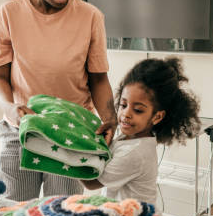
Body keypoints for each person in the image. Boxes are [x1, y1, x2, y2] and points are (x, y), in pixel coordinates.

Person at [0, 0, 117, 201]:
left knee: (64, 214)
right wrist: (9, 107)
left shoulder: (91, 16)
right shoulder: (8, 13)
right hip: (19, 129)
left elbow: (98, 79)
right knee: (15, 210)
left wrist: (109, 118)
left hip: (70, 133)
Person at [81, 57, 201, 206]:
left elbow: (91, 183)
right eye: (123, 105)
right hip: (124, 214)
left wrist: (73, 151)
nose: (126, 114)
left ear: (157, 117)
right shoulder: (130, 138)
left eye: (137, 110)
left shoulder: (134, 153)